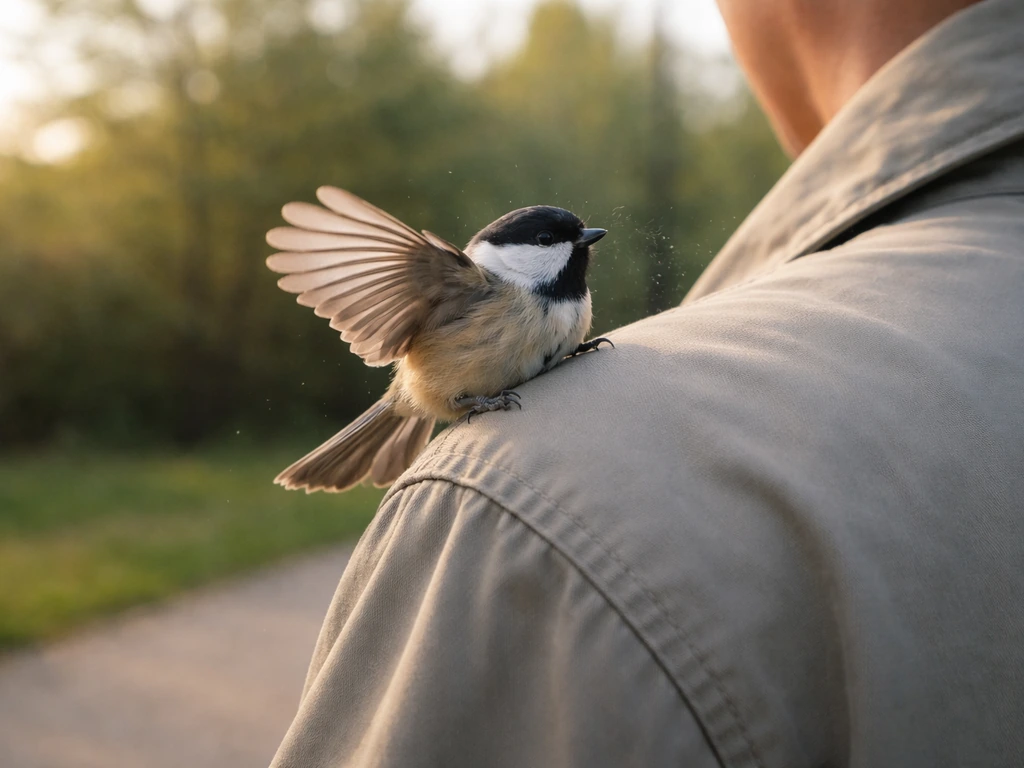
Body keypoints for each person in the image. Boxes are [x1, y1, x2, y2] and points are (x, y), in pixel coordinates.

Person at [270, 0, 1024, 764]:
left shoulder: (544, 497)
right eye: (558, 241)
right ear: (515, 253)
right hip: (431, 393)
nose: (578, 247)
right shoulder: (464, 283)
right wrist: (476, 402)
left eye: (577, 239)